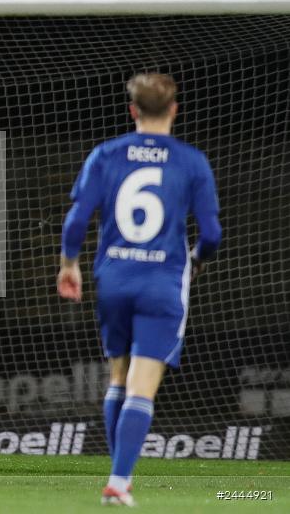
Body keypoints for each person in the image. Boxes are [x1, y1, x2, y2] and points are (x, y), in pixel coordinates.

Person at [56, 73, 222, 506]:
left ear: (132, 110)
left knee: (118, 376)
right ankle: (119, 479)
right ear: (173, 110)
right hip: (162, 282)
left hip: (113, 280)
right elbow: (212, 234)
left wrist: (68, 265)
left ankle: (118, 473)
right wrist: (197, 259)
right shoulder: (191, 161)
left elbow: (75, 221)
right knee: (143, 386)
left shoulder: (106, 154)